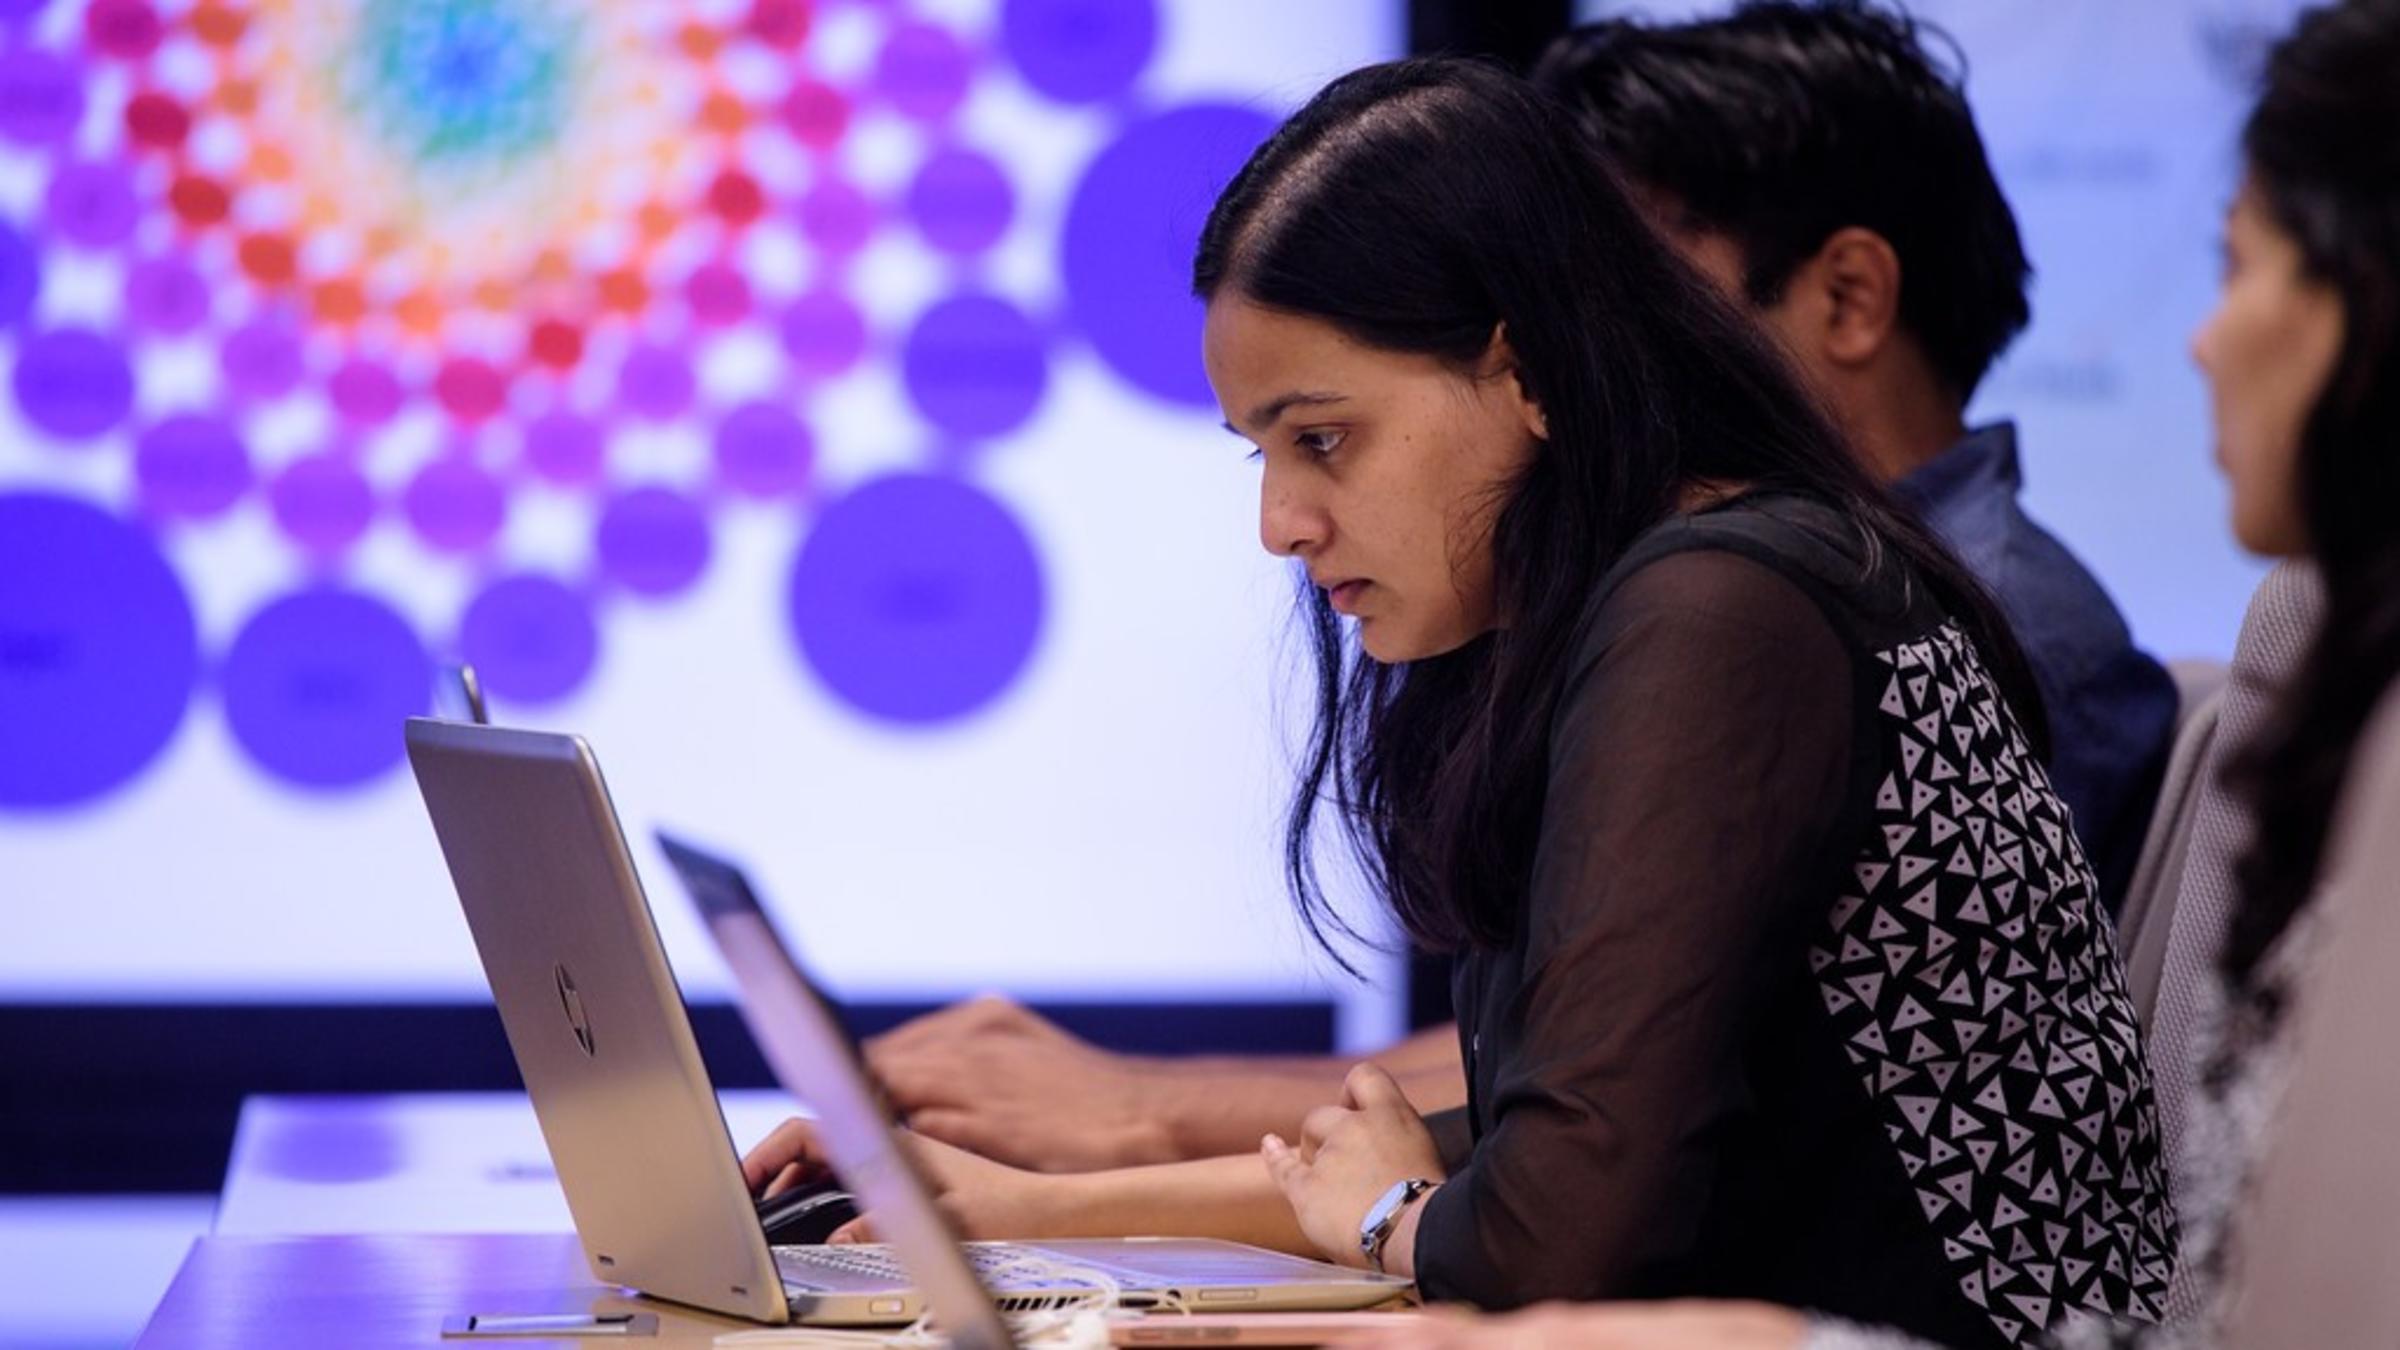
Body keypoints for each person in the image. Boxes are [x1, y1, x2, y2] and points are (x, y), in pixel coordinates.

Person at [745, 56, 2173, 1346]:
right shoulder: (1685, 587)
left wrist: (1382, 1218)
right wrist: (1020, 1210)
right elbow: (1540, 1152)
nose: (1283, 524)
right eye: (1260, 454)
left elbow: (1555, 1234)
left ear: (1529, 368)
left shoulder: (1721, 609)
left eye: (1323, 437)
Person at [1350, 0, 2400, 1344]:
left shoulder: (1770, 609)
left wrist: (1368, 1199)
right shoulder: (2316, 648)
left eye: (2240, 263)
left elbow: (1624, 1141)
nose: (1568, 351)